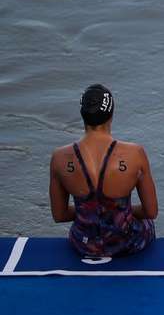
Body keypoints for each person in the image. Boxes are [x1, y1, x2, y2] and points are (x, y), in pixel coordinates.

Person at [49, 84, 157, 258]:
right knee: (147, 223)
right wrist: (117, 210)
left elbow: (59, 215)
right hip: (127, 243)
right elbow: (151, 212)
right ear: (111, 115)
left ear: (82, 114)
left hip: (84, 244)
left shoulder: (59, 157)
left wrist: (92, 210)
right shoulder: (135, 154)